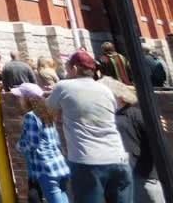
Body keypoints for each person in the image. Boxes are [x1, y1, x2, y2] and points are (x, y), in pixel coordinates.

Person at [45, 51, 131, 203]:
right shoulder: (106, 90)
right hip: (118, 158)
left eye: (68, 67)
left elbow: (47, 111)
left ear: (75, 68)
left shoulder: (64, 86)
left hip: (87, 162)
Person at [104, 79, 162, 203]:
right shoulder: (111, 116)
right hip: (127, 173)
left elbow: (154, 141)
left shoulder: (135, 114)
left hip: (143, 174)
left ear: (118, 97)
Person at [14, 83, 70, 203]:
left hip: (45, 168)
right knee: (63, 195)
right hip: (58, 163)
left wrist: (19, 145)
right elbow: (57, 140)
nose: (18, 99)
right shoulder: (47, 112)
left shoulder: (31, 116)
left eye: (20, 96)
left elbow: (32, 143)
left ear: (27, 98)